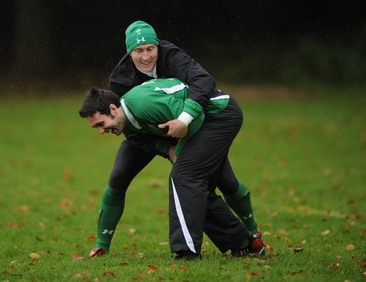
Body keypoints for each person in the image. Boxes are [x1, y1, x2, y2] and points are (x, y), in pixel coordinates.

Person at [88, 20, 264, 257]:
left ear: (158, 46)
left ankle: (250, 235)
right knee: (120, 175)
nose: (146, 56)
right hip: (147, 132)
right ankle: (101, 244)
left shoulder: (171, 55)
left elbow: (204, 82)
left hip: (195, 119)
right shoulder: (120, 80)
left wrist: (183, 122)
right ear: (129, 53)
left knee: (220, 179)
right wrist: (166, 147)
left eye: (150, 48)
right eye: (138, 51)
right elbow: (126, 125)